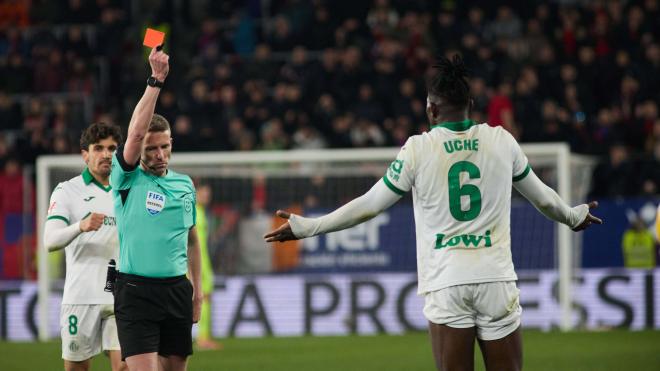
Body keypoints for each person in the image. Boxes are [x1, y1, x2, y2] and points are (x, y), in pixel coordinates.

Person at [264, 55, 603, 371]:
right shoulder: (502, 141)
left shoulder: (418, 149)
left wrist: (311, 227)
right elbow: (543, 199)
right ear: (470, 106)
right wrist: (573, 217)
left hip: (447, 280)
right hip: (496, 277)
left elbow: (369, 205)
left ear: (431, 109)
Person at [110, 46, 202, 371]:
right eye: (152, 148)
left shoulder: (185, 185)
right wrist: (155, 81)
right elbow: (135, 132)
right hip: (135, 291)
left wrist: (198, 292)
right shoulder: (126, 178)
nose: (160, 154)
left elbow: (191, 241)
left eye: (165, 146)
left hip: (178, 289)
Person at [44, 122, 127, 371]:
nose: (106, 154)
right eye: (99, 148)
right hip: (81, 297)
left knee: (126, 366)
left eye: (112, 148)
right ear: (85, 154)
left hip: (120, 297)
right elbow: (50, 241)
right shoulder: (67, 191)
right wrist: (80, 226)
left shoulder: (127, 190)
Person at [194, 182, 222, 350]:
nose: (206, 196)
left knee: (206, 298)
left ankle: (203, 337)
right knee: (198, 299)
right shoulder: (193, 213)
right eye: (203, 192)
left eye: (208, 193)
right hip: (195, 264)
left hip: (205, 263)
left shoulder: (202, 212)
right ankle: (201, 338)